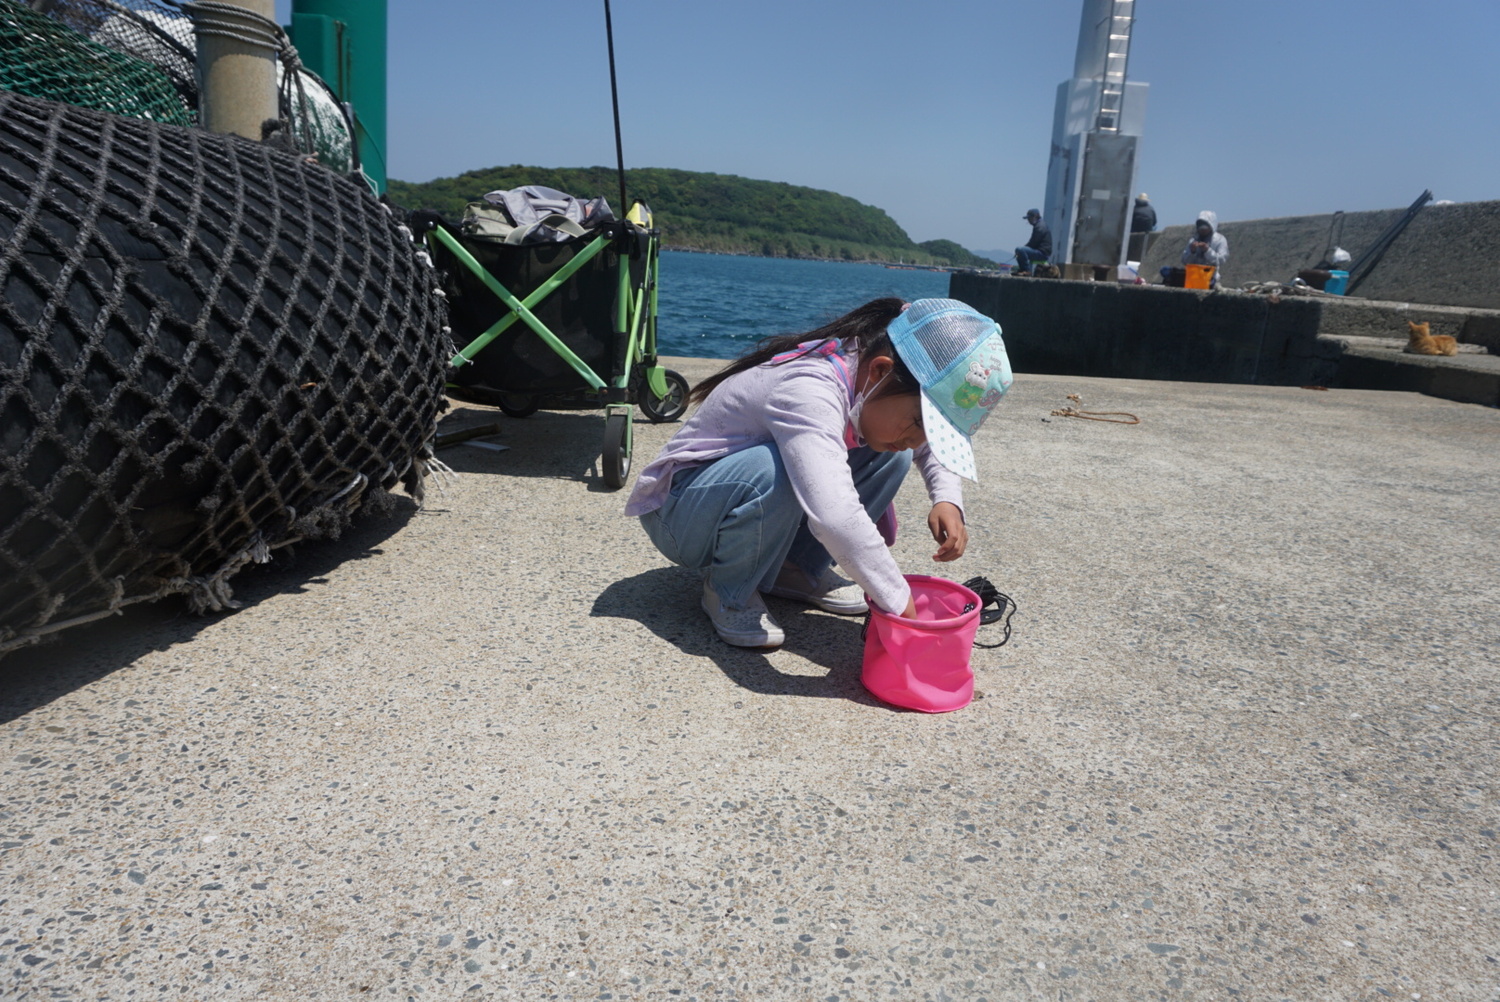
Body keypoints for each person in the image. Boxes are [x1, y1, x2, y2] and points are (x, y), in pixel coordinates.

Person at [624, 298, 1012, 649]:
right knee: (773, 468)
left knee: (889, 455)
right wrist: (900, 602)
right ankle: (729, 591)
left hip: (725, 499)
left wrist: (947, 498)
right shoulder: (809, 389)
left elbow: (917, 442)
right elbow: (835, 515)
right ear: (880, 371)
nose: (917, 442)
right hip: (682, 512)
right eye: (918, 423)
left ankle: (793, 571)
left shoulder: (869, 377)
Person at [1161, 210, 1229, 286]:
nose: (1202, 230)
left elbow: (1221, 260)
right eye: (1200, 227)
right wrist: (1192, 251)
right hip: (1193, 274)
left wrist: (1207, 251)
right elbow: (1184, 261)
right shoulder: (1193, 240)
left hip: (1209, 275)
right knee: (1165, 270)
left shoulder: (1219, 239)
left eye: (1205, 227)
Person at [1014, 209, 1052, 274]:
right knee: (1020, 251)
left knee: (1019, 250)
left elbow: (1034, 242)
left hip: (1042, 253)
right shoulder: (1039, 225)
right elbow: (1033, 242)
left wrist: (1022, 251)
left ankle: (1026, 271)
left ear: (1035, 216)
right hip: (1040, 252)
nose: (1028, 220)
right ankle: (1023, 270)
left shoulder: (1040, 226)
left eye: (1029, 218)